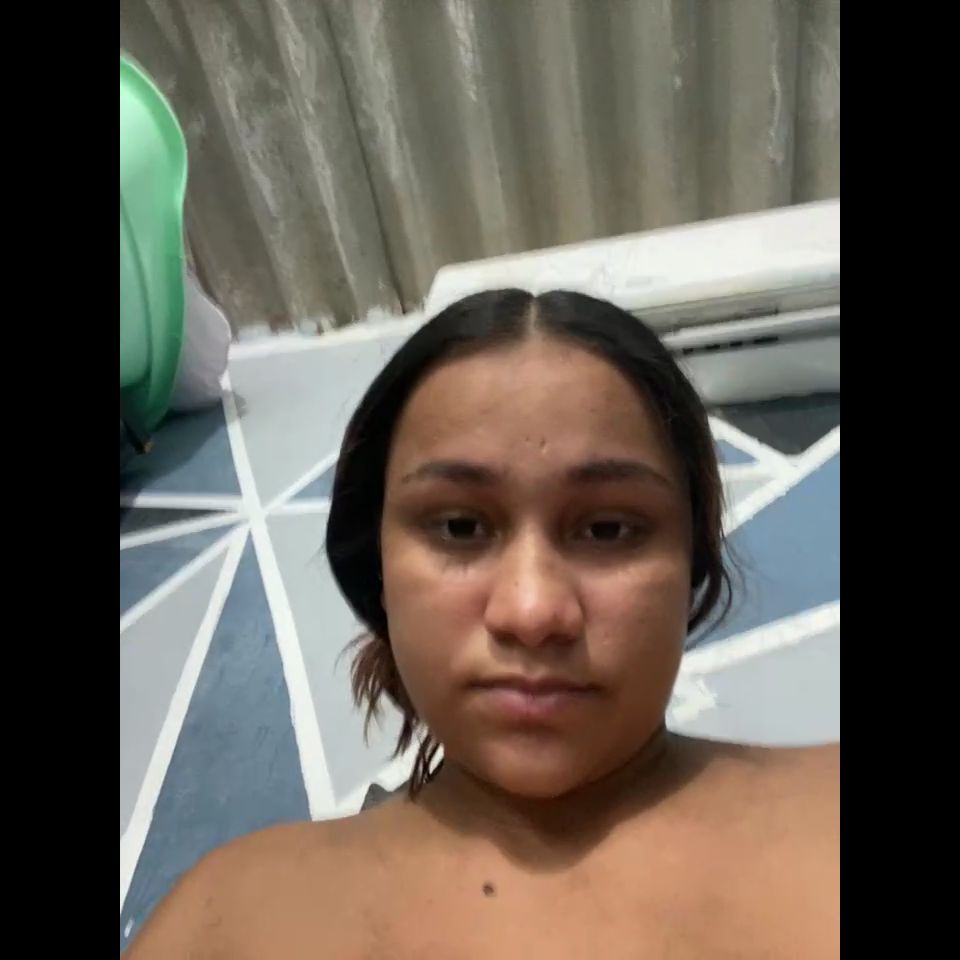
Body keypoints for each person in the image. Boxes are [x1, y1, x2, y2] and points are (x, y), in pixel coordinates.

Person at [127, 289, 839, 958]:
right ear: (378, 572)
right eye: (460, 527)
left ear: (692, 566)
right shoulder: (226, 924)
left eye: (608, 529)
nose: (533, 612)